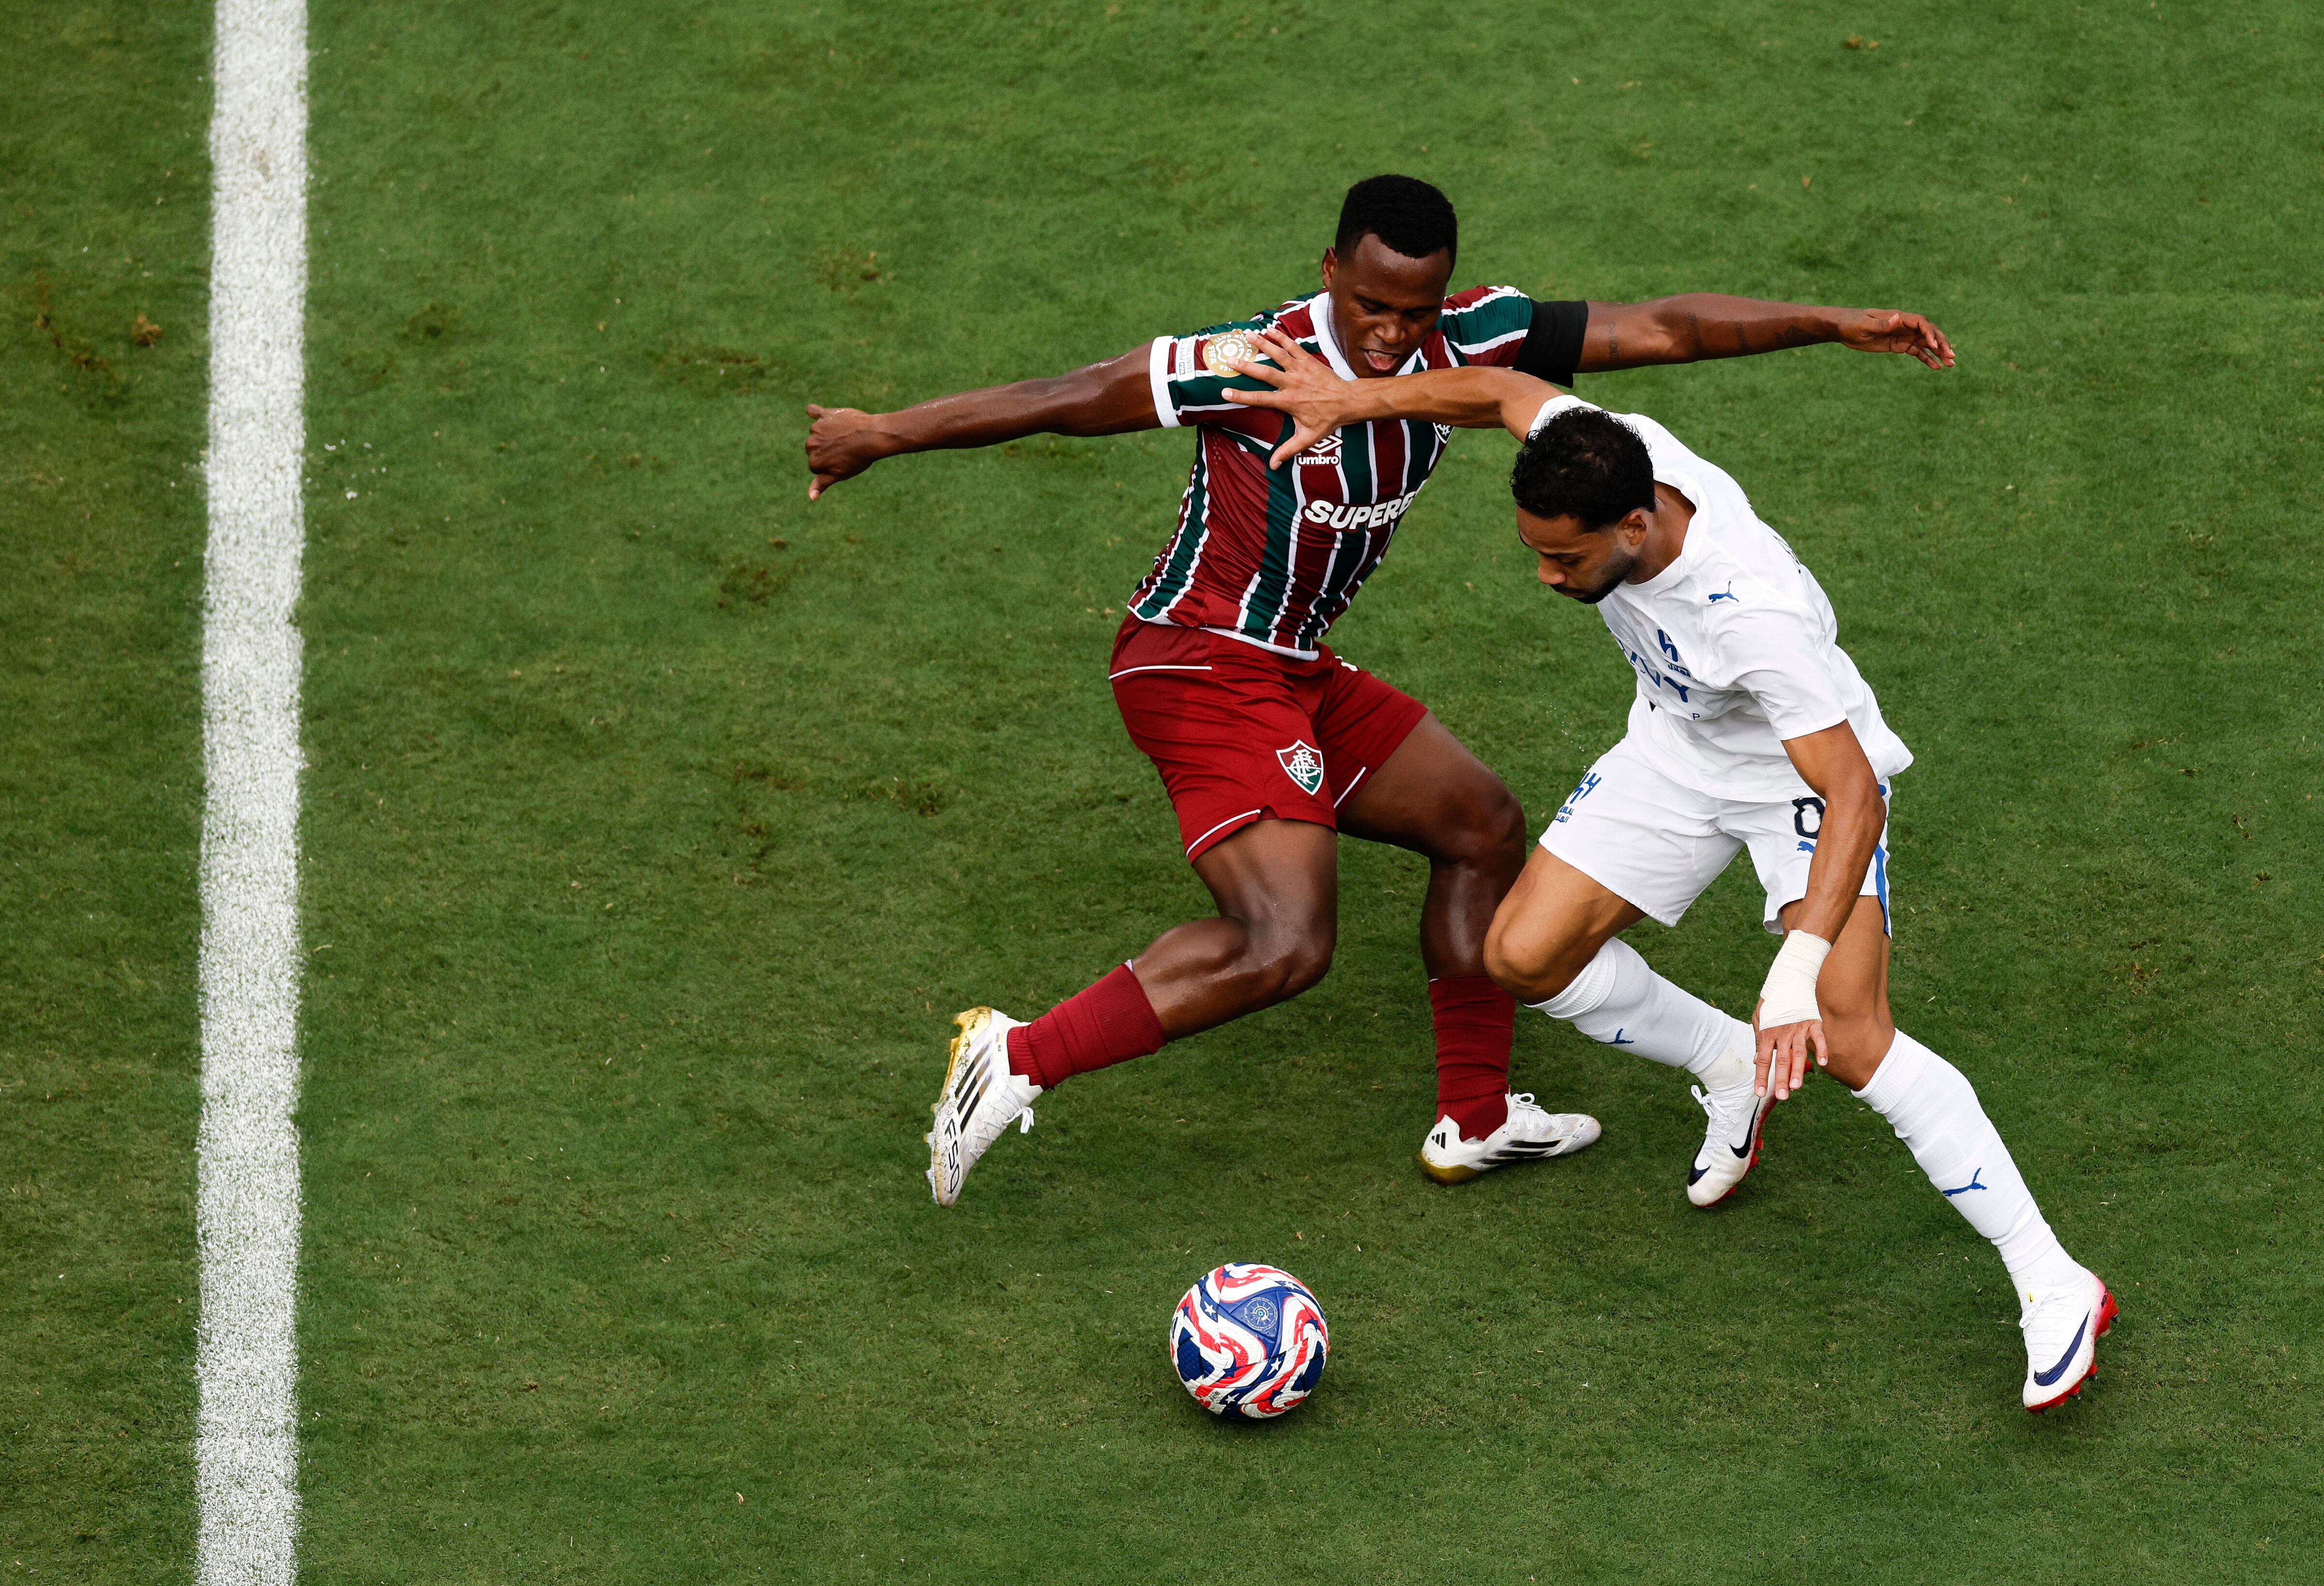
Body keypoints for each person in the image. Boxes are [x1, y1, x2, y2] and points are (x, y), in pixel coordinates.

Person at [802, 174, 1958, 1206]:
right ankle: (1013, 1058)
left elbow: (1658, 329)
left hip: (1296, 668)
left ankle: (1478, 1115)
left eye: (1415, 309)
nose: (1395, 332)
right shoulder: (1250, 361)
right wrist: (881, 434)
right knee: (1284, 943)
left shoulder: (1475, 338)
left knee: (1480, 824)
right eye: (1372, 306)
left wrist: (1832, 323)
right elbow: (1068, 392)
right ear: (1331, 274)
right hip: (1196, 661)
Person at [1228, 326, 2113, 1409]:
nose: (1549, 578)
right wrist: (1348, 402)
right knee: (1523, 951)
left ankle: (2051, 1278)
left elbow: (1851, 793)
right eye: (1535, 553)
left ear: (1637, 525)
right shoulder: (1606, 450)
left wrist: (1792, 975)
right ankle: (1730, 1066)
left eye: (1566, 559)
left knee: (1849, 1034)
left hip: (1796, 784)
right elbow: (1507, 388)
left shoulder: (1754, 621)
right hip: (1675, 749)